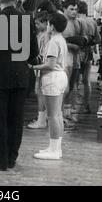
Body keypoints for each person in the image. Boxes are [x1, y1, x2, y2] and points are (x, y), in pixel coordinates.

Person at [0, 0, 38, 171]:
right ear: (16, 0)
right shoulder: (27, 20)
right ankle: (12, 157)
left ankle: (0, 159)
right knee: (16, 118)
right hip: (20, 76)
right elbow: (34, 52)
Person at [30, 12, 68, 160]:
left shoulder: (53, 41)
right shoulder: (61, 40)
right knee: (57, 114)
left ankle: (54, 151)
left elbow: (50, 65)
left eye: (48, 24)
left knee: (52, 116)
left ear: (51, 26)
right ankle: (55, 147)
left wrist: (32, 67)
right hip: (61, 77)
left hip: (53, 78)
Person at [28, 11, 50, 129]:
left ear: (45, 23)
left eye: (37, 24)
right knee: (40, 92)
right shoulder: (42, 34)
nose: (36, 26)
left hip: (42, 66)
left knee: (40, 92)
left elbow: (44, 53)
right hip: (41, 66)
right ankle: (43, 117)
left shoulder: (46, 35)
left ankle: (41, 120)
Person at [77, 0, 101, 114]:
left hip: (76, 53)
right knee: (86, 81)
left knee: (74, 81)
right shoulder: (93, 22)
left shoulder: (76, 21)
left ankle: (72, 106)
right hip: (88, 53)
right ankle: (86, 105)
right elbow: (98, 40)